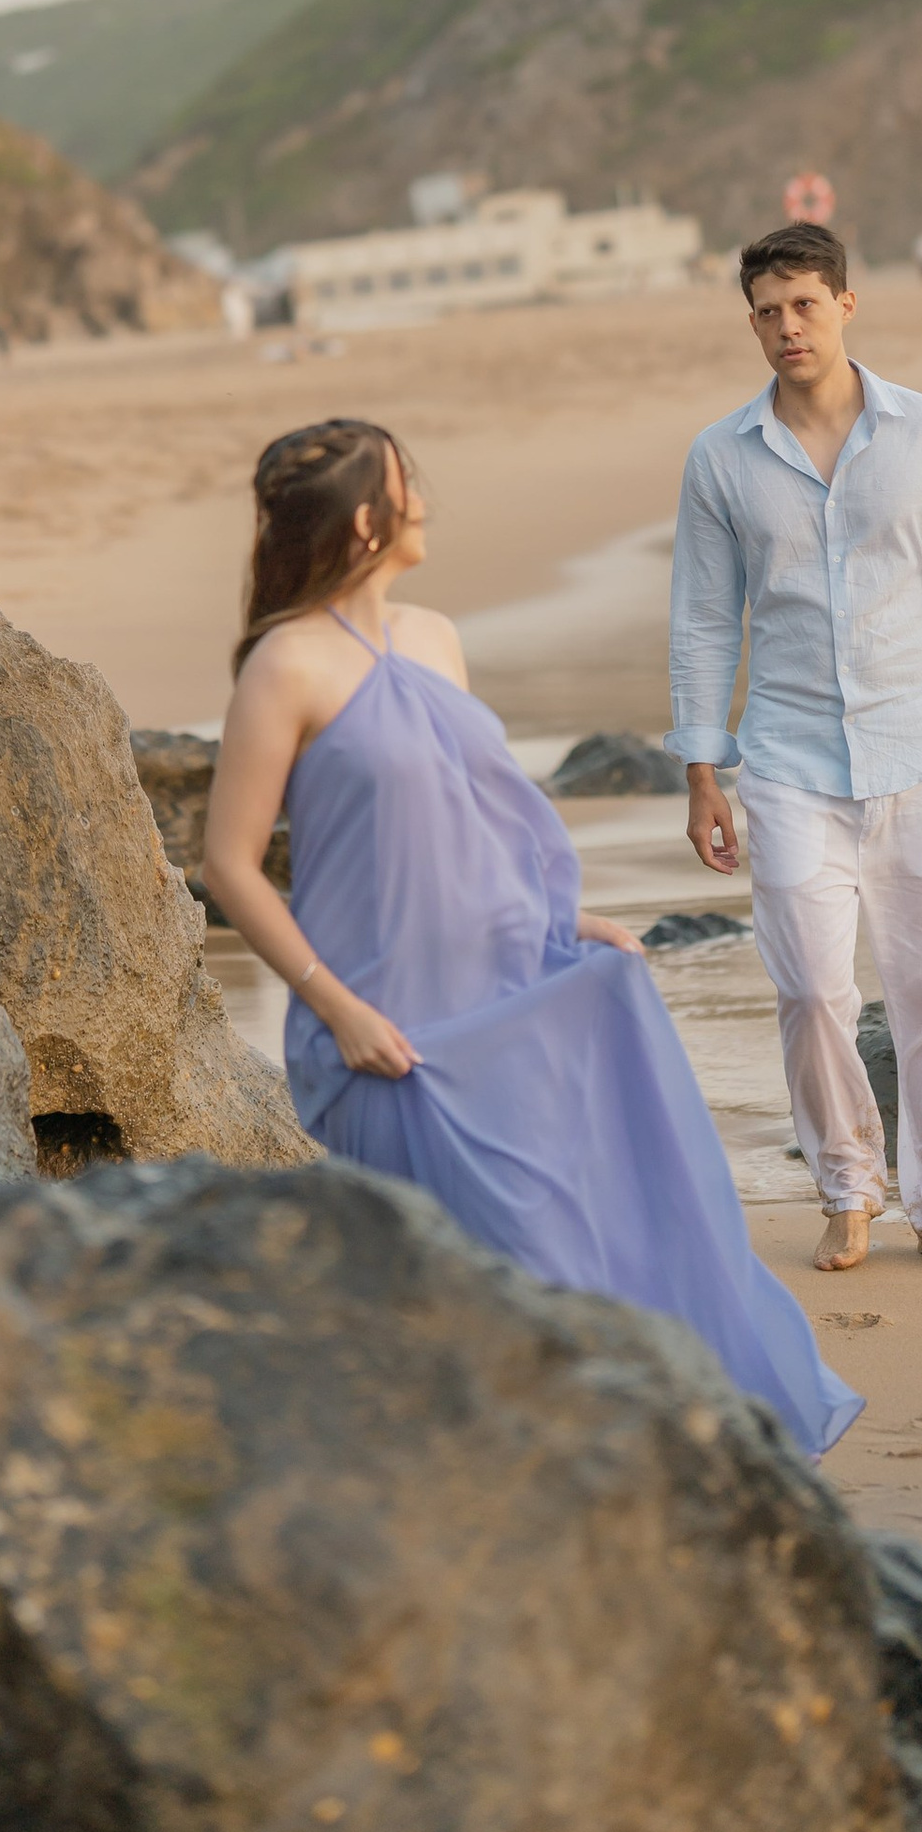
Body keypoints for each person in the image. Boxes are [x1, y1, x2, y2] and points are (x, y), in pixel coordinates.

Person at [201, 417, 860, 1460]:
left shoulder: (433, 636)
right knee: (479, 1271)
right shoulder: (284, 666)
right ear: (367, 517)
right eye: (406, 482)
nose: (424, 497)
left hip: (505, 1000)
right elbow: (229, 863)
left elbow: (477, 821)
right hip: (387, 1028)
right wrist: (335, 1006)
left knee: (558, 1253)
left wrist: (566, 920)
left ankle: (614, 1473)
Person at [667, 222, 922, 1279]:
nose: (785, 326)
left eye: (802, 303)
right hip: (785, 764)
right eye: (765, 309)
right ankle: (847, 1190)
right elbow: (704, 619)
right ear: (749, 320)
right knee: (809, 989)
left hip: (919, 755)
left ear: (845, 302)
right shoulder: (721, 457)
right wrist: (702, 769)